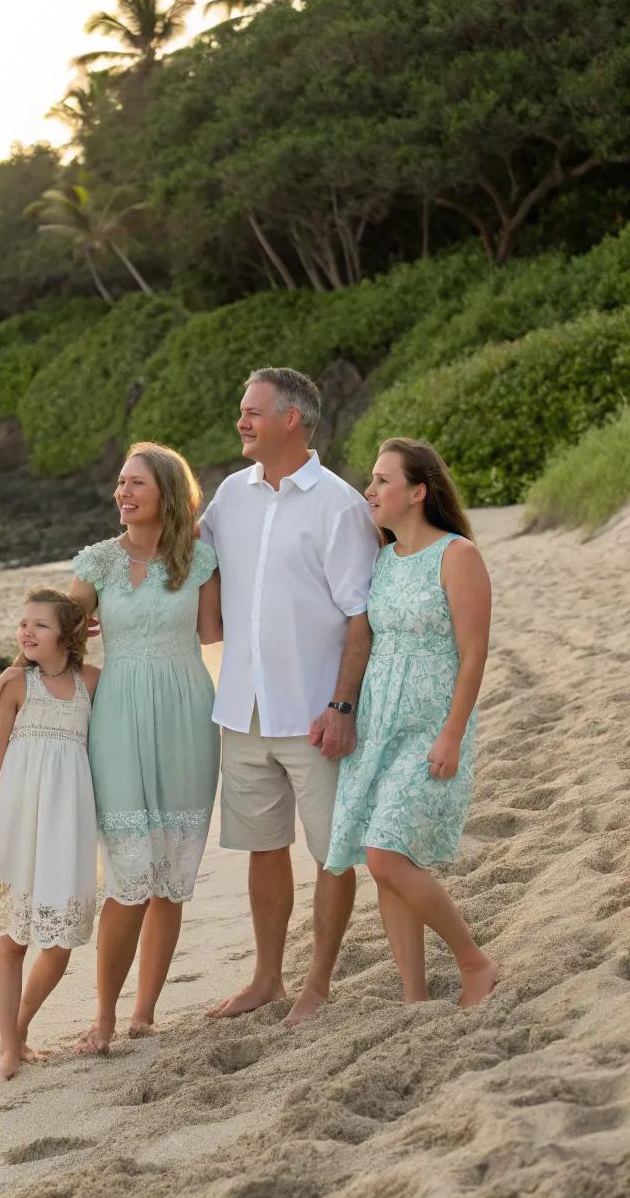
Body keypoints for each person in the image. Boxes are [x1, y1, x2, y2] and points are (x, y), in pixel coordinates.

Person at [201, 367, 380, 1026]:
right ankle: (267, 978)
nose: (241, 421)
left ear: (291, 419)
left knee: (332, 852)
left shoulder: (338, 505)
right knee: (264, 846)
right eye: (242, 410)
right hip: (242, 707)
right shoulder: (230, 494)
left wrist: (342, 707)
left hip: (313, 713)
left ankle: (319, 985)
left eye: (252, 412)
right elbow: (184, 559)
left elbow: (361, 616)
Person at [325, 438, 499, 1008]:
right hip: (379, 728)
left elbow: (474, 655)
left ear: (419, 491)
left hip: (430, 728)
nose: (369, 490)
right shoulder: (381, 559)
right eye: (371, 480)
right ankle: (414, 996)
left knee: (385, 854)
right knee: (387, 863)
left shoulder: (457, 555)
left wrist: (452, 733)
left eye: (383, 481)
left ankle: (474, 962)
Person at [69, 441, 222, 1053]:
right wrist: (13, 674)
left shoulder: (200, 560)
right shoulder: (98, 562)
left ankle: (144, 1011)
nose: (123, 493)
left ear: (167, 493)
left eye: (136, 483)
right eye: (120, 483)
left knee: (170, 878)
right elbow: (58, 633)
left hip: (187, 714)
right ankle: (104, 1015)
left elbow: (216, 632)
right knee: (128, 876)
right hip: (119, 716)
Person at [0, 588, 100, 1083]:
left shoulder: (92, 683)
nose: (26, 631)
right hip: (18, 822)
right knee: (12, 939)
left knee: (60, 940)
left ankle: (20, 1029)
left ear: (67, 633)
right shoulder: (17, 685)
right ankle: (8, 1049)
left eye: (40, 624)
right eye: (23, 624)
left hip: (70, 824)